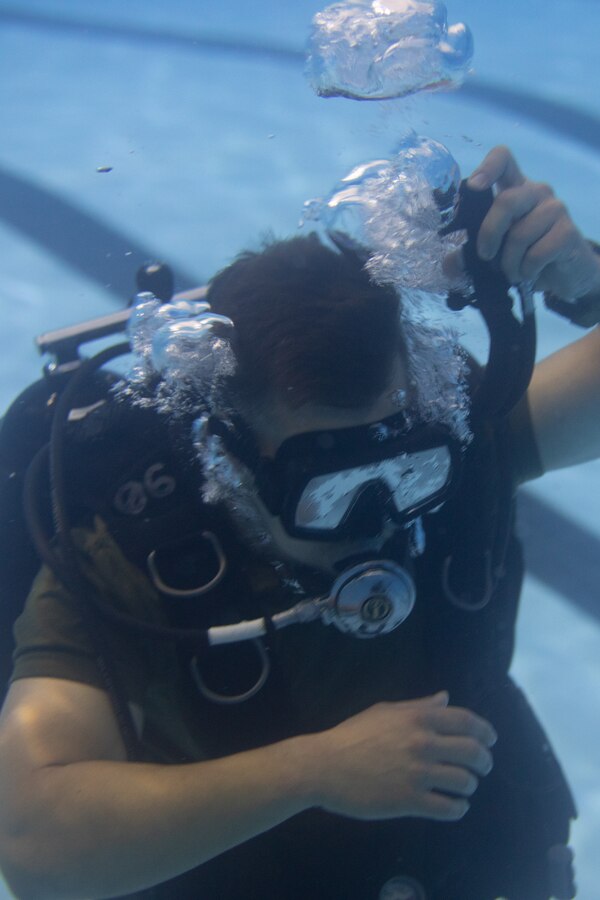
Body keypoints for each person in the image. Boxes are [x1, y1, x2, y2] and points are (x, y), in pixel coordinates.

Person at [0, 145, 599, 900]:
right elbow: (34, 844)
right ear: (232, 465)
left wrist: (584, 283)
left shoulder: (457, 454)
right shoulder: (131, 556)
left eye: (404, 466)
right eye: (332, 488)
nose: (379, 519)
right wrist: (313, 770)